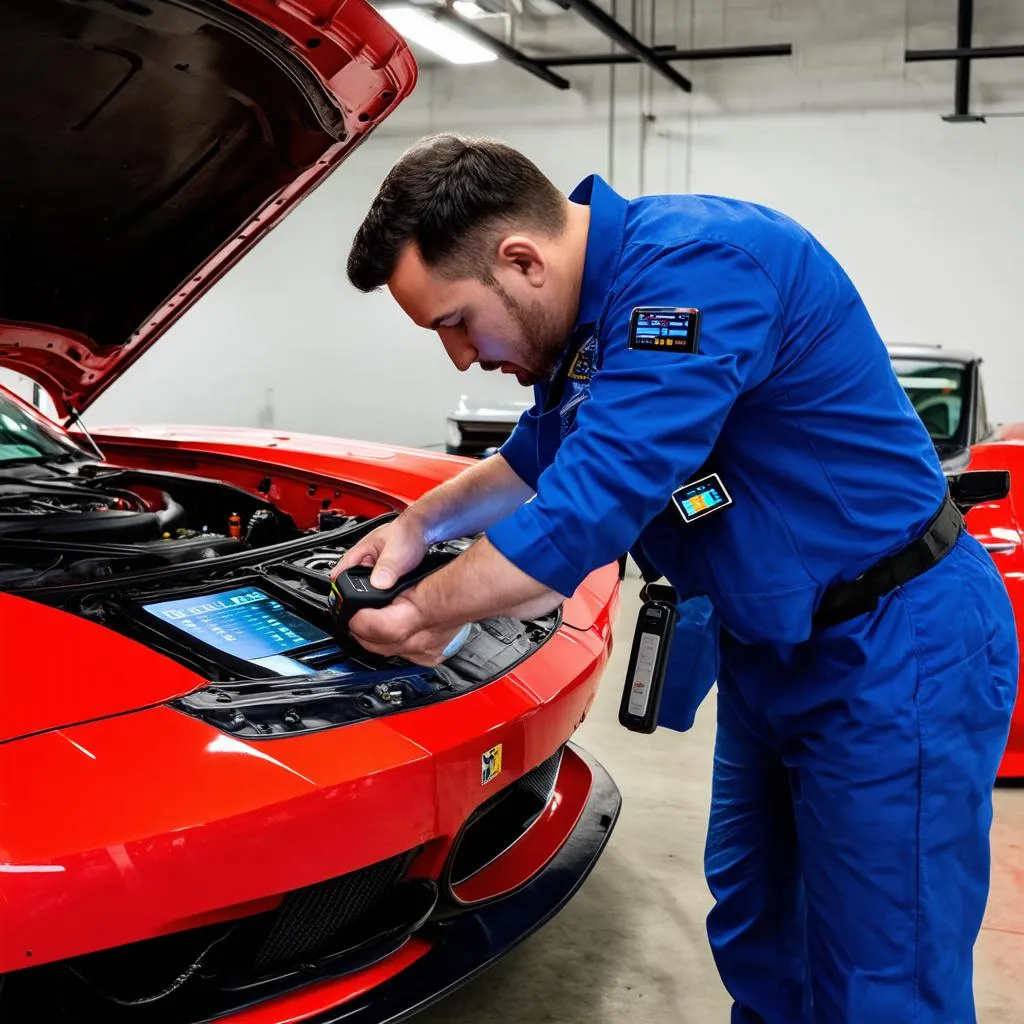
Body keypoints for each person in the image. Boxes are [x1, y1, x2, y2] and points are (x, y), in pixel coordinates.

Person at [336, 133, 1017, 1022]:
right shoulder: (589, 329)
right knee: (760, 931)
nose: (462, 358)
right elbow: (536, 460)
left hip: (896, 643)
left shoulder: (697, 271)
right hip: (770, 651)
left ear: (520, 259)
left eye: (456, 322)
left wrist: (422, 614)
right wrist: (420, 523)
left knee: (885, 972)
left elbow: (592, 500)